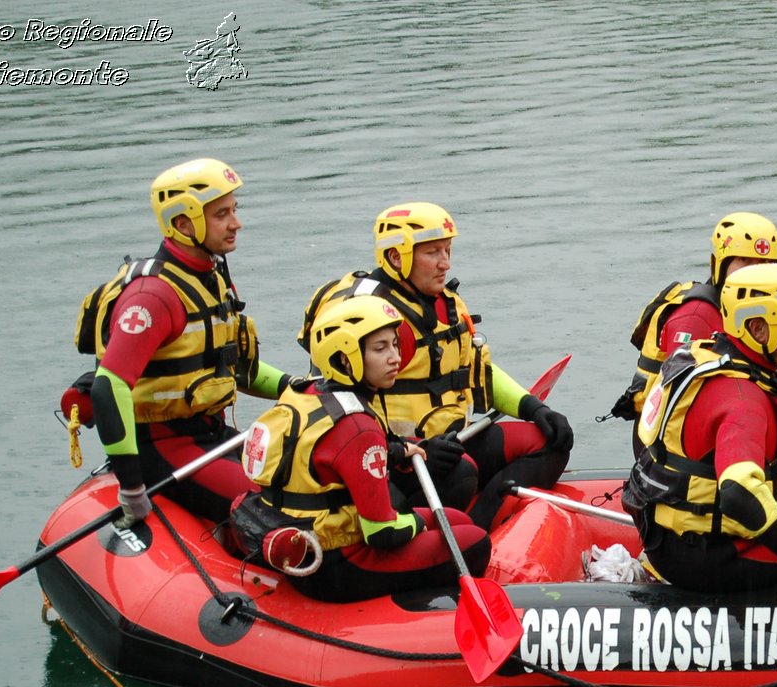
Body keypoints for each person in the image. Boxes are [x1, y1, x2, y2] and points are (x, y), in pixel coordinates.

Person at [297, 202, 573, 529]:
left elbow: (472, 371)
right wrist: (407, 449)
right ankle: (459, 536)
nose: (445, 263)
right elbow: (334, 405)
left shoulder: (447, 302)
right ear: (396, 257)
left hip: (454, 438)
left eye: (447, 250)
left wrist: (534, 408)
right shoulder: (363, 315)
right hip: (392, 458)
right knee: (461, 475)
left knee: (554, 440)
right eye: (432, 253)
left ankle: (484, 524)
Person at [623, 263, 777, 594]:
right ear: (758, 329)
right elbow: (738, 492)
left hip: (673, 541)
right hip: (707, 556)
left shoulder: (723, 358)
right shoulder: (743, 399)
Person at [75, 158, 297, 527]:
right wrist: (132, 490)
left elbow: (233, 369)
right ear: (183, 223)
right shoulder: (154, 297)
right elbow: (108, 387)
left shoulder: (209, 278)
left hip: (212, 435)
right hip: (163, 450)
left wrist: (293, 386)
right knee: (281, 506)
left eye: (234, 210)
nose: (236, 223)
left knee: (311, 479)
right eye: (222, 214)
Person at [230, 294, 490, 602]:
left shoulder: (304, 391)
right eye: (380, 349)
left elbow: (328, 454)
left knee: (455, 519)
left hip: (309, 536)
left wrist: (396, 451)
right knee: (475, 541)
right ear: (345, 357)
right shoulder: (357, 426)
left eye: (395, 344)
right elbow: (382, 534)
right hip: (335, 564)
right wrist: (417, 524)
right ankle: (425, 609)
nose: (396, 357)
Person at [609, 212, 777, 453]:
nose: (756, 275)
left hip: (729, 430)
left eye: (767, 265)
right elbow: (681, 406)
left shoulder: (751, 315)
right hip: (669, 455)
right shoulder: (696, 317)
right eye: (745, 262)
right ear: (718, 265)